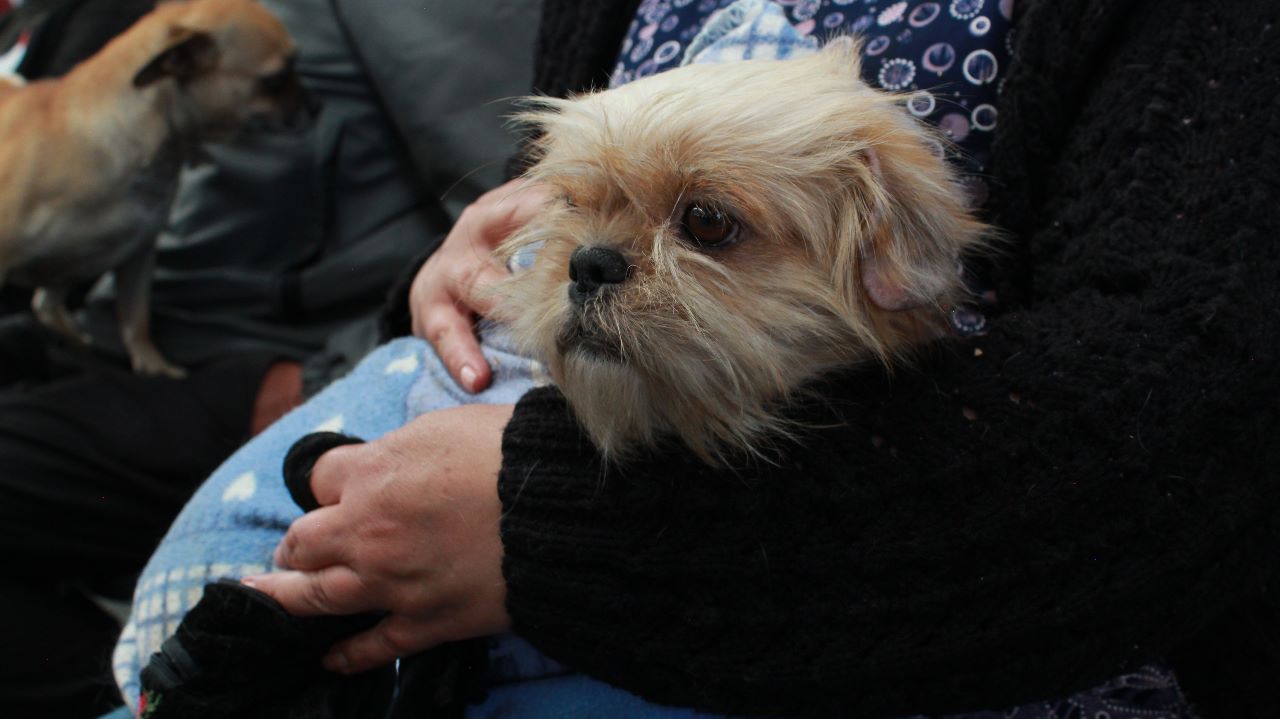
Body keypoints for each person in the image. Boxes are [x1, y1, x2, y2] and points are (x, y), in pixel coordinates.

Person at [132, 0, 1280, 717]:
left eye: (711, 224)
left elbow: (1177, 411)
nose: (615, 254)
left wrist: (540, 520)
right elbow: (564, 245)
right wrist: (464, 267)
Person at [0, 0, 538, 716]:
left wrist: (341, 368)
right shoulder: (134, 25)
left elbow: (510, 197)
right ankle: (141, 680)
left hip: (278, 362)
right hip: (125, 329)